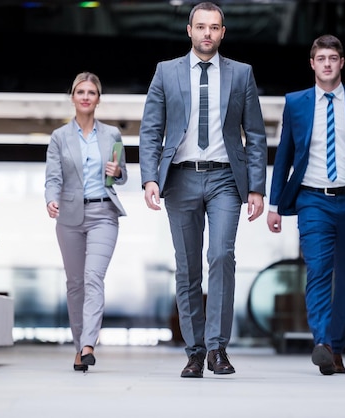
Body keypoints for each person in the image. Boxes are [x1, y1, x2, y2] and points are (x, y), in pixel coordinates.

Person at [139, 2, 267, 378]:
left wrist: (256, 187)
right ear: (189, 30)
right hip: (180, 178)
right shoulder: (166, 72)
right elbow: (150, 130)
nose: (207, 33)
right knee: (187, 267)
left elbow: (255, 135)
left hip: (226, 178)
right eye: (201, 26)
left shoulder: (241, 75)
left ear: (223, 33)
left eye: (214, 27)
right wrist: (150, 177)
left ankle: (217, 349)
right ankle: (194, 352)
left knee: (222, 256)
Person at [266, 34, 345, 375]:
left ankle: (336, 346)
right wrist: (274, 204)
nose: (326, 64)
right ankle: (322, 341)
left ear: (341, 63)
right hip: (311, 200)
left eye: (332, 58)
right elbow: (285, 156)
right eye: (320, 58)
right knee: (318, 270)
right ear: (312, 63)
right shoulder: (297, 103)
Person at [45, 72, 128, 372]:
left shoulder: (112, 135)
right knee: (75, 284)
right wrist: (50, 199)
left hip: (104, 213)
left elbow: (123, 174)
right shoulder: (59, 137)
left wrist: (117, 172)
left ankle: (89, 344)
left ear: (98, 99)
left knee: (93, 277)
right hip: (68, 216)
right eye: (80, 91)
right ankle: (79, 345)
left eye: (91, 92)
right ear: (72, 97)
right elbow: (53, 177)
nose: (85, 96)